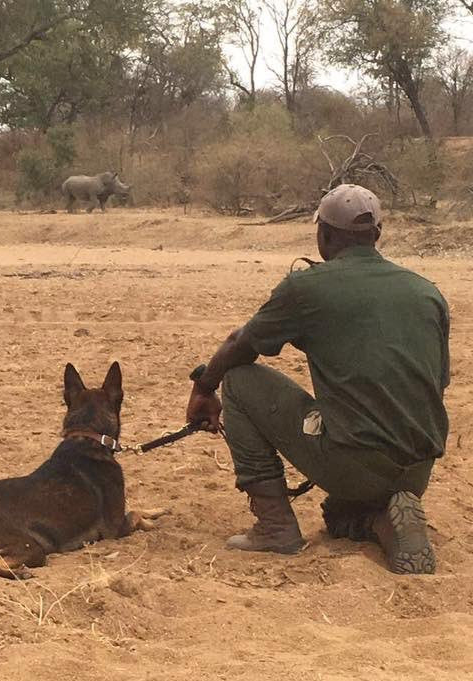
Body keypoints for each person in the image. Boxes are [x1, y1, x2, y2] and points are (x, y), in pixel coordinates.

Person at [185, 184, 449, 574]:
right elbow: (437, 383)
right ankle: (381, 516)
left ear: (322, 235)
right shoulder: (428, 293)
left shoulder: (307, 287)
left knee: (239, 380)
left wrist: (204, 387)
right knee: (337, 515)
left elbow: (240, 344)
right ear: (378, 234)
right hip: (417, 470)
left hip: (353, 464)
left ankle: (275, 526)